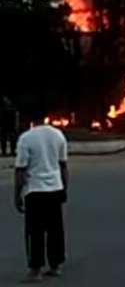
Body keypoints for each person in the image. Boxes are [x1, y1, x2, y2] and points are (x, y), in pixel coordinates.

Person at [14, 106, 69, 282]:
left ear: (28, 117)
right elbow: (63, 165)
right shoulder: (58, 135)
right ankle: (56, 265)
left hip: (35, 189)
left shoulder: (25, 138)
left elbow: (21, 169)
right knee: (55, 229)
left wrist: (17, 194)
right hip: (55, 188)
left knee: (34, 231)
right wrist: (64, 187)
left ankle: (35, 269)